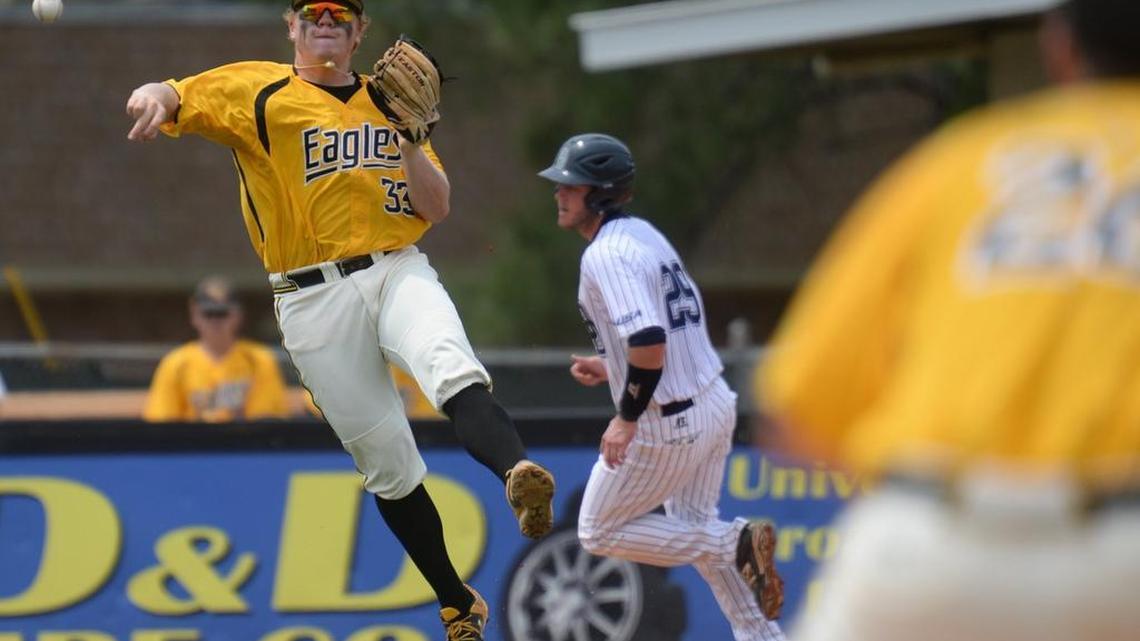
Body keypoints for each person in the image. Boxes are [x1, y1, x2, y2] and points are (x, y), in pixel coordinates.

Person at [124, 2, 555, 638]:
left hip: (395, 266)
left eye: (340, 12)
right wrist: (152, 96)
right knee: (386, 462)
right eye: (312, 11)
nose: (325, 18)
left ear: (360, 32)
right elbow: (177, 93)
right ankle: (457, 603)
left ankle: (518, 472)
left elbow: (435, 207)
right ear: (290, 25)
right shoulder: (260, 90)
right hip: (308, 296)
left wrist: (410, 137)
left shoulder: (393, 102)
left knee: (449, 364)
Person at [756, 2, 1140, 640]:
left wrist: (920, 499)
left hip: (932, 543)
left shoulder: (964, 159)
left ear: (1060, 45)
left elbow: (796, 409)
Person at [539, 133, 786, 641]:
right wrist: (613, 368)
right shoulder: (644, 235)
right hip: (713, 401)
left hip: (668, 421)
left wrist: (626, 418)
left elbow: (650, 339)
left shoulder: (604, 255)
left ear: (601, 192)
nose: (559, 193)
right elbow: (667, 334)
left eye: (572, 185)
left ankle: (733, 542)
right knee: (692, 527)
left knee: (597, 530)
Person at [144, 276, 289, 422]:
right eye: (208, 314)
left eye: (222, 313)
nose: (215, 321)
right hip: (192, 443)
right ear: (194, 315)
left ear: (237, 315)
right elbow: (162, 424)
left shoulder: (259, 360)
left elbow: (264, 422)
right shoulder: (175, 363)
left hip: (242, 442)